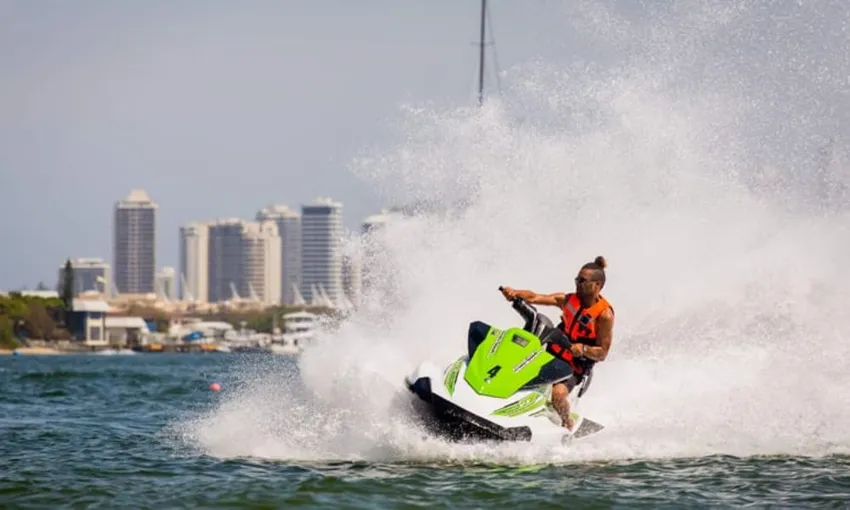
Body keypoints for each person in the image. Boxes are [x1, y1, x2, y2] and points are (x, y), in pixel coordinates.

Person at [500, 256, 614, 431]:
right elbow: (536, 296)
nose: (577, 283)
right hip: (552, 355)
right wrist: (515, 293)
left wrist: (583, 349)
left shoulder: (604, 315)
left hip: (574, 367)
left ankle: (567, 424)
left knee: (558, 395)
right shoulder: (567, 300)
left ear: (597, 285)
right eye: (577, 279)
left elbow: (603, 352)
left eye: (582, 281)